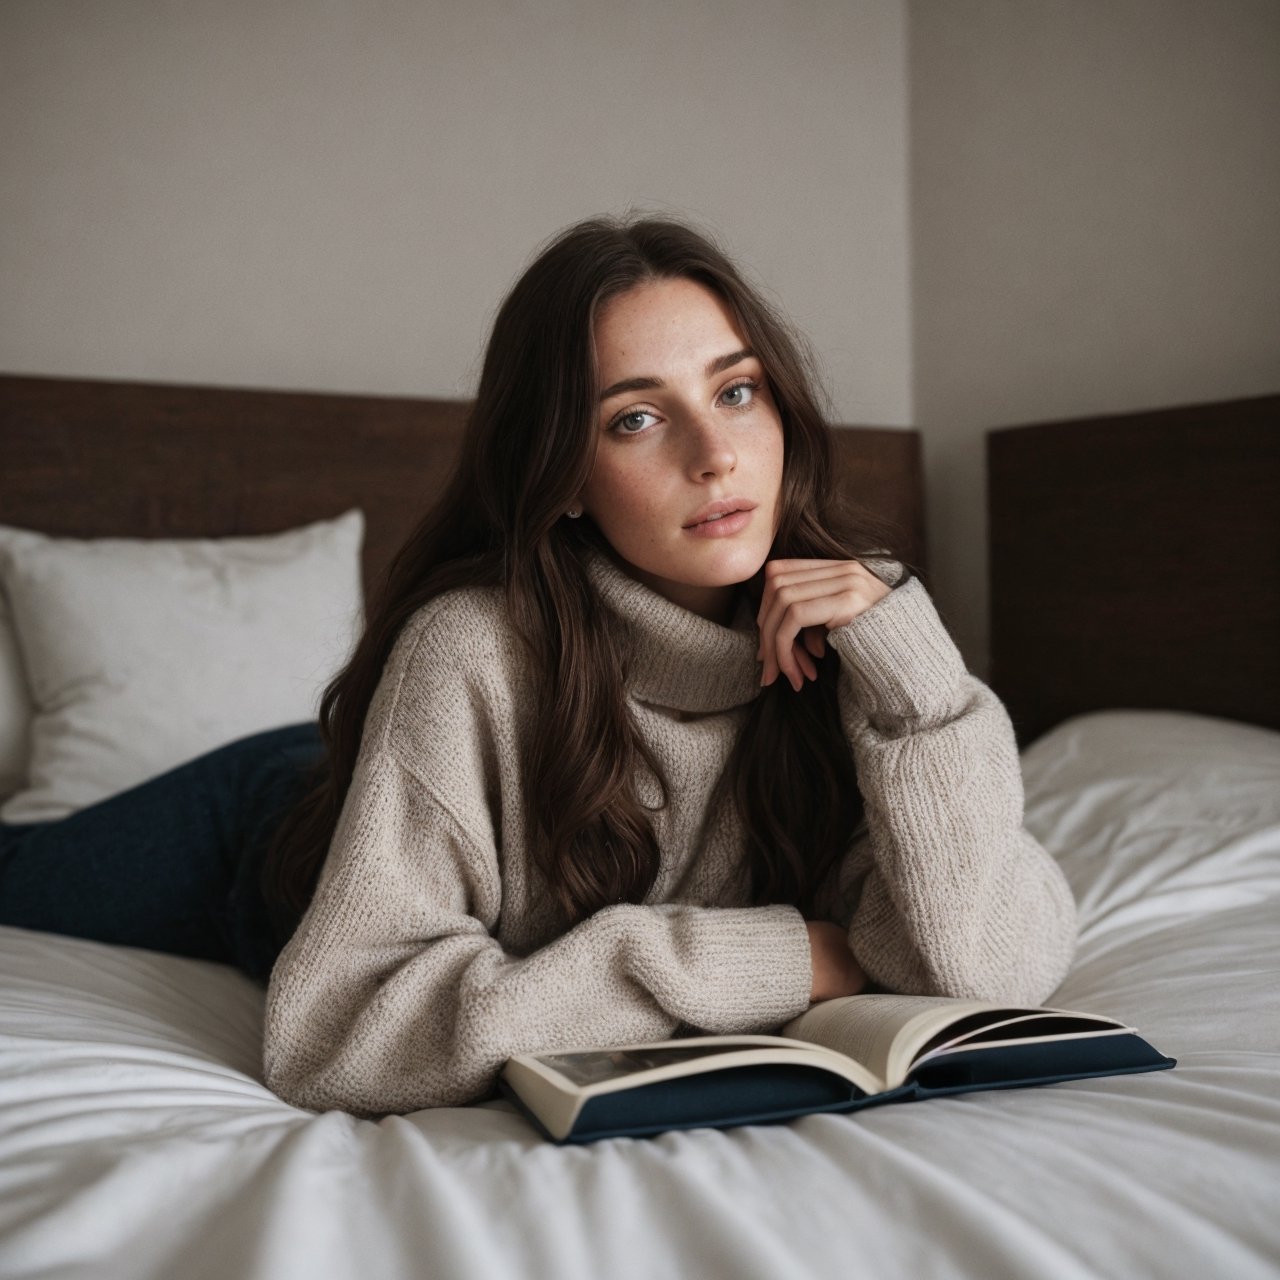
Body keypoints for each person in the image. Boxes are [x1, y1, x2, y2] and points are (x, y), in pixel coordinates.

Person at [0, 216, 1078, 1119]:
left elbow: (980, 960)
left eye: (737, 390)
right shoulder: (471, 651)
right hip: (281, 827)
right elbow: (332, 1039)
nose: (713, 454)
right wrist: (778, 958)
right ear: (564, 473)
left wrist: (921, 681)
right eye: (638, 417)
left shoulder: (864, 646)